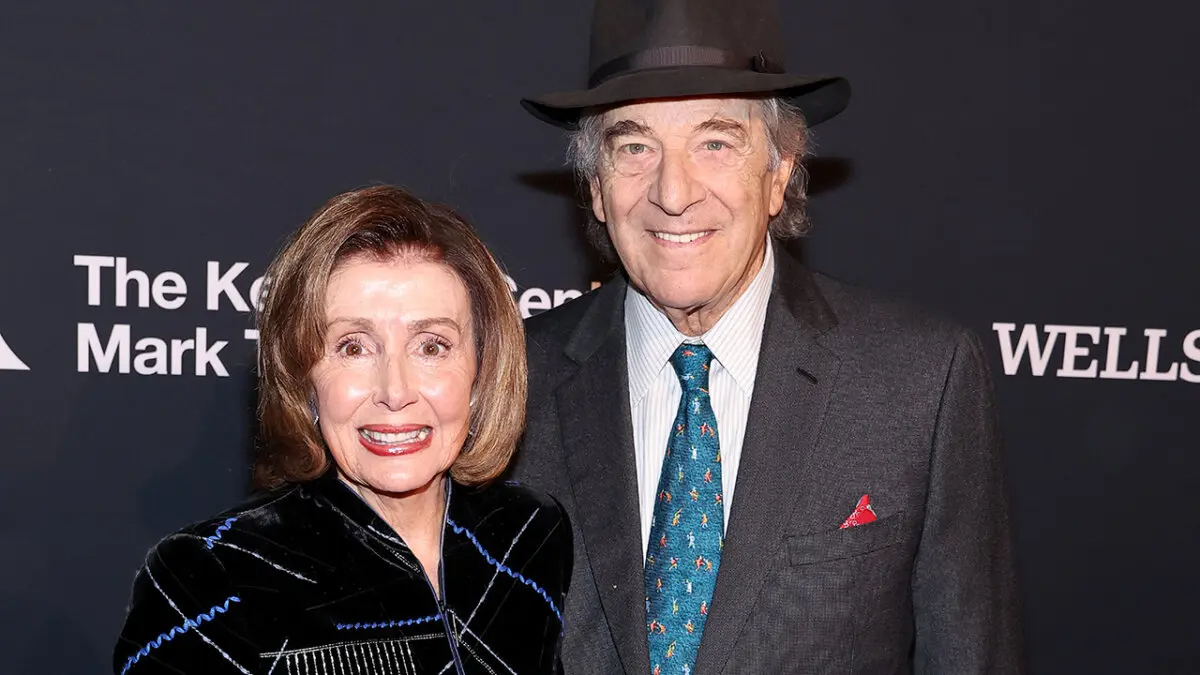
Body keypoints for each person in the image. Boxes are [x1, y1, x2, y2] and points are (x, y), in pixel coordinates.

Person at [511, 0, 1024, 673]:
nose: (673, 192)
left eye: (715, 142)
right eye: (634, 146)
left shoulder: (919, 381)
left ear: (779, 172)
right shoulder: (512, 379)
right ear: (597, 188)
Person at [112, 186, 571, 675]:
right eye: (353, 347)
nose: (395, 391)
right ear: (301, 374)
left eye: (432, 346)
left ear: (482, 369)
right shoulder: (210, 577)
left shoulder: (529, 532)